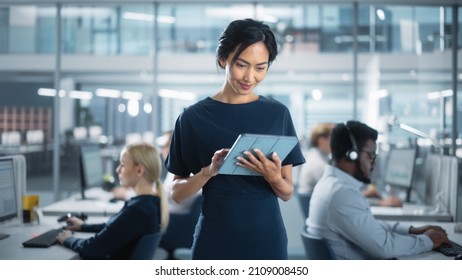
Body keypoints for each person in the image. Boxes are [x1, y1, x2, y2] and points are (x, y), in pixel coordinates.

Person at [165, 18, 305, 260]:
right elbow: (176, 193)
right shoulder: (192, 118)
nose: (250, 77)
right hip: (214, 240)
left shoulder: (278, 114)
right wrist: (208, 171)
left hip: (266, 239)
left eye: (260, 68)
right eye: (242, 65)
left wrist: (273, 177)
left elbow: (287, 192)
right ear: (223, 59)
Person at [306, 120, 449, 259]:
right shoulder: (341, 193)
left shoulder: (330, 185)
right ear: (352, 155)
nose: (373, 163)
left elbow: (368, 226)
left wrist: (411, 230)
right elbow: (385, 248)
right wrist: (428, 241)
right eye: (370, 155)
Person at [56, 143, 169, 259]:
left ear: (139, 170)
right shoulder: (152, 203)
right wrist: (84, 226)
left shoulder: (137, 210)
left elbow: (92, 249)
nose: (117, 169)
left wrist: (68, 239)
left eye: (123, 165)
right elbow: (116, 228)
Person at [298, 122, 401, 208]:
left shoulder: (317, 157)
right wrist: (380, 203)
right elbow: (341, 197)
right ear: (321, 141)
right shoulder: (317, 164)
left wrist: (363, 194)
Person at [298, 123, 335, 195]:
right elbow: (332, 191)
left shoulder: (312, 155)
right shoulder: (318, 163)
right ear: (321, 141)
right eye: (334, 139)